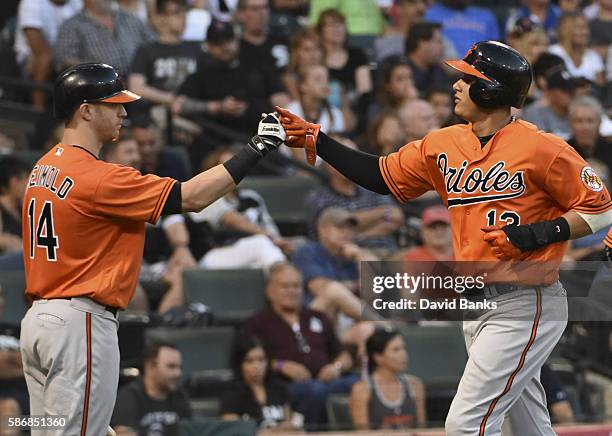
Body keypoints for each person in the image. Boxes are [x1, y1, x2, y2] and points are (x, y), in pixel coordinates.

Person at [274, 40, 612, 434]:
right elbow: (382, 176)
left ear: (492, 89)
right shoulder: (444, 143)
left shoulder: (544, 148)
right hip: (476, 303)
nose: (456, 84)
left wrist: (537, 233)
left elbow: (599, 209)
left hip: (527, 301)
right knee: (529, 429)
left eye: (468, 78)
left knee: (464, 424)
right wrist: (320, 140)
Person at [19, 62, 287, 435]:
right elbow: (191, 197)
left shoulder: (41, 168)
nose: (124, 112)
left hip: (40, 322)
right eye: (114, 104)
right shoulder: (98, 176)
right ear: (86, 110)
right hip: (79, 322)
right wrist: (257, 147)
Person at [245, 262, 357, 428]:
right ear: (270, 291)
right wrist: (281, 365)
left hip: (327, 381)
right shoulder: (258, 322)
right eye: (285, 286)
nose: (292, 291)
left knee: (361, 384)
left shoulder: (317, 316)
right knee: (313, 391)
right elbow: (247, 360)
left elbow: (343, 355)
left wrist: (336, 367)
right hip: (284, 385)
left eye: (296, 286)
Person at [305, 137, 403, 251]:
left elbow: (396, 216)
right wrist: (383, 213)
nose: (353, 163)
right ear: (329, 164)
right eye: (346, 158)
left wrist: (359, 234)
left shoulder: (371, 188)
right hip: (348, 257)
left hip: (388, 252)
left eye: (355, 157)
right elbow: (337, 226)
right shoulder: (319, 197)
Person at [128, 0, 202, 117]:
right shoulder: (146, 50)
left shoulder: (195, 48)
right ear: (160, 17)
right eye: (176, 12)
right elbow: (136, 87)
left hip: (194, 111)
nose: (184, 17)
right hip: (158, 112)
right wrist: (171, 99)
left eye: (185, 12)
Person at [220, 333, 302, 432]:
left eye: (261, 360)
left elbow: (289, 423)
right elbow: (231, 431)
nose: (256, 366)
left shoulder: (279, 389)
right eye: (249, 361)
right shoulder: (232, 393)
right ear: (239, 364)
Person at [349, 327, 426, 430]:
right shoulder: (362, 390)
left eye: (404, 348)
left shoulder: (415, 385)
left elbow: (423, 429)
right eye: (396, 350)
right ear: (378, 357)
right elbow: (363, 432)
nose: (404, 355)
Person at [54, 0, 155, 76]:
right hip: (100, 87)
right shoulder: (72, 25)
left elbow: (154, 43)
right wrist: (101, 70)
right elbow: (64, 61)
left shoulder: (129, 18)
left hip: (140, 82)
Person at [111, 342, 192, 435]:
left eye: (179, 367)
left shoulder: (180, 395)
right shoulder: (128, 396)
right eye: (171, 366)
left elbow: (190, 430)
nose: (178, 373)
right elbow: (123, 433)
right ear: (150, 367)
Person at [13, 0, 82, 108]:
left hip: (67, 55)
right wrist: (65, 57)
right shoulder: (31, 2)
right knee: (45, 59)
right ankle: (38, 111)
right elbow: (39, 49)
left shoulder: (77, 3)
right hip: (31, 58)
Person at [425, 0, 500, 57]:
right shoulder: (428, 14)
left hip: (479, 70)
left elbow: (495, 51)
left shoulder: (486, 16)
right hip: (441, 70)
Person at [548, 12, 605, 86]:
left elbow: (600, 87)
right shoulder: (553, 53)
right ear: (565, 30)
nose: (585, 32)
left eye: (586, 28)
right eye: (579, 28)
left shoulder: (594, 56)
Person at [403, 22, 450, 98]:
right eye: (438, 41)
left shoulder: (437, 71)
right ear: (422, 43)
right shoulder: (401, 70)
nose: (442, 47)